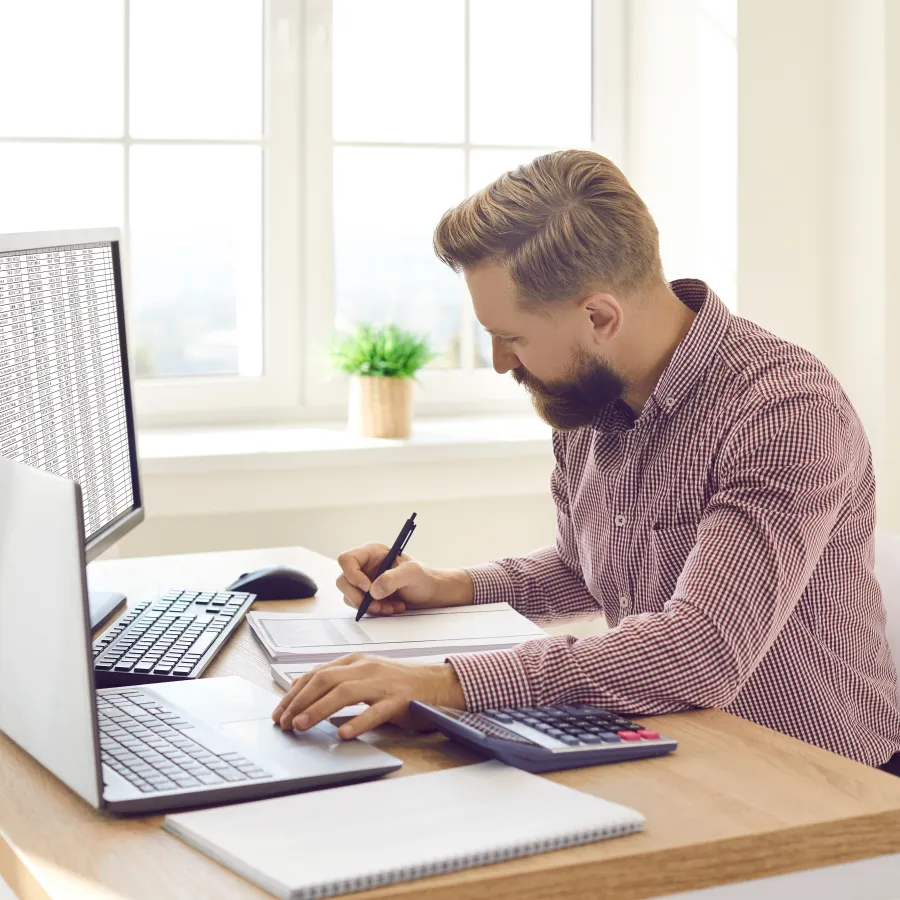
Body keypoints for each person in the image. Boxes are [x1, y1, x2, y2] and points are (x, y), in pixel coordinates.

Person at [273, 149, 900, 774]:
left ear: (600, 317)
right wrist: (448, 586)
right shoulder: (588, 395)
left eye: (512, 336)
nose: (499, 362)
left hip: (823, 780)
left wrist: (443, 684)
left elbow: (701, 649)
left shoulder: (784, 410)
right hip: (677, 744)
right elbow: (590, 567)